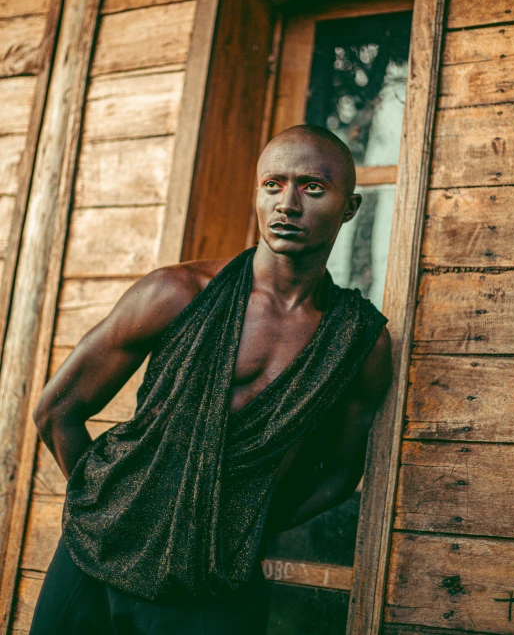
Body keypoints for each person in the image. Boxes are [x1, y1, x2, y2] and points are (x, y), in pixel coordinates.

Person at [30, 124, 392, 634]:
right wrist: (117, 508)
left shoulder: (358, 341)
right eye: (273, 185)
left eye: (313, 187)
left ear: (349, 207)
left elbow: (336, 475)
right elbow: (55, 412)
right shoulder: (176, 292)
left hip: (215, 579)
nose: (287, 204)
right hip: (96, 558)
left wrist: (241, 527)